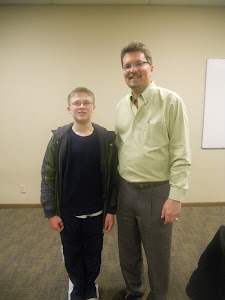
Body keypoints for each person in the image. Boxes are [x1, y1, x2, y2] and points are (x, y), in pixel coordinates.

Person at [113, 42, 191, 300]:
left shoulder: (171, 101)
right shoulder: (121, 105)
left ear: (151, 68)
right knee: (128, 251)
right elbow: (121, 147)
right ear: (122, 71)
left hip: (156, 193)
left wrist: (175, 196)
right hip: (125, 190)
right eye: (127, 66)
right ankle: (135, 291)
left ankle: (158, 296)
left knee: (157, 254)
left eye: (139, 63)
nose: (132, 70)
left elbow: (181, 152)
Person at [41, 87, 118, 300]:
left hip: (96, 211)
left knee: (93, 252)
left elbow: (113, 179)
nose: (81, 106)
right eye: (77, 103)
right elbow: (48, 176)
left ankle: (90, 285)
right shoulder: (59, 138)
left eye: (86, 102)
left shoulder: (106, 139)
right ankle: (76, 285)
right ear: (69, 108)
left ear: (94, 107)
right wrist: (51, 212)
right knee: (72, 251)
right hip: (68, 212)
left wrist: (111, 210)